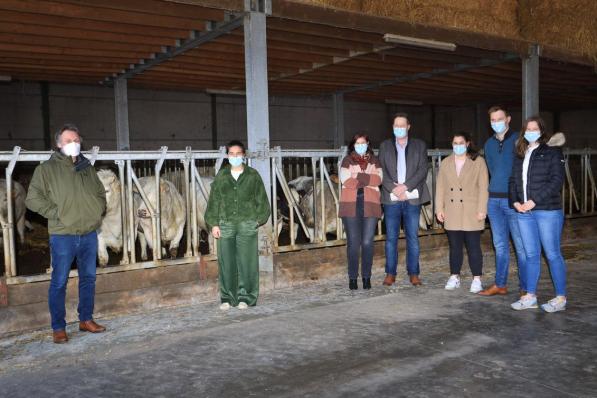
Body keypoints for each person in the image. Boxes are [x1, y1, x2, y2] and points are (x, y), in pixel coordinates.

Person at [25, 124, 107, 344]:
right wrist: (56, 213)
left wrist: (97, 210)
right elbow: (32, 199)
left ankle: (86, 319)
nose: (74, 143)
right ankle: (58, 328)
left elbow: (100, 193)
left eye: (77, 140)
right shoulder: (47, 169)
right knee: (59, 281)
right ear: (59, 144)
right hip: (63, 234)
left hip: (89, 232)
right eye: (69, 140)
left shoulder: (87, 167)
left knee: (88, 278)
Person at [509, 117, 567, 312]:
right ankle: (530, 296)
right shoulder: (520, 153)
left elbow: (557, 180)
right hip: (524, 212)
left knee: (552, 254)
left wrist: (534, 201)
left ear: (542, 131)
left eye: (535, 129)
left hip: (547, 211)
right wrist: (515, 201)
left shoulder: (552, 151)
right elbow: (513, 181)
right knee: (531, 254)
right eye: (528, 128)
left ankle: (560, 297)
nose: (531, 131)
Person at [205, 140, 270, 311]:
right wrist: (213, 223)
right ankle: (227, 297)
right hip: (226, 224)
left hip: (246, 224)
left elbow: (262, 201)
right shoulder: (222, 176)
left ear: (243, 155)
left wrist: (257, 220)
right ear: (227, 156)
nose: (235, 157)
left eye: (238, 154)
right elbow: (214, 201)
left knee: (247, 262)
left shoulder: (252, 175)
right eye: (231, 154)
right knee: (226, 262)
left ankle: (246, 297)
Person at [480, 106, 527, 297]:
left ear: (508, 119)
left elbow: (524, 169)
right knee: (499, 245)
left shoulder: (518, 141)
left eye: (499, 119)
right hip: (494, 201)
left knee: (520, 245)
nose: (496, 123)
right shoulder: (489, 144)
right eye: (493, 120)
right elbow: (492, 168)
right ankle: (500, 284)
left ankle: (526, 286)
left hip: (513, 200)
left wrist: (518, 195)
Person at [378, 113, 430, 286]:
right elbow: (381, 171)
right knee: (391, 238)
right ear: (393, 127)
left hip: (411, 197)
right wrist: (393, 188)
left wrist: (405, 186)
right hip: (391, 198)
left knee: (412, 237)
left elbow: (423, 169)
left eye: (402, 125)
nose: (399, 128)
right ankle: (390, 273)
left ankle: (414, 273)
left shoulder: (419, 145)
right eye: (396, 125)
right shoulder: (385, 146)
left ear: (408, 127)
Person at [435, 132, 488, 293]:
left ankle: (477, 278)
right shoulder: (445, 162)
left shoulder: (478, 162)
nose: (458, 146)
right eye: (455, 143)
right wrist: (439, 209)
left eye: (461, 143)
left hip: (471, 211)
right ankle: (454, 276)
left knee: (473, 246)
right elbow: (441, 187)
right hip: (452, 210)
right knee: (455, 247)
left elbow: (483, 187)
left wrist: (481, 210)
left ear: (467, 144)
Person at [338, 133, 383, 290]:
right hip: (350, 204)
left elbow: (378, 179)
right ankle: (352, 278)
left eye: (363, 143)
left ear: (368, 144)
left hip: (370, 203)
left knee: (367, 242)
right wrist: (366, 178)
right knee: (353, 243)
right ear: (353, 145)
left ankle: (366, 277)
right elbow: (346, 180)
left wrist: (357, 175)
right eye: (357, 143)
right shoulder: (347, 160)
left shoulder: (375, 160)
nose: (360, 145)